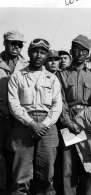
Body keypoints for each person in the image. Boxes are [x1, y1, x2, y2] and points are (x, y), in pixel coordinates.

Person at [7, 38, 62, 194]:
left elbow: (57, 106)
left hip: (48, 127)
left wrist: (43, 125)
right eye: (36, 51)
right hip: (23, 125)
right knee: (20, 177)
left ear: (46, 56)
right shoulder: (17, 77)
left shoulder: (52, 78)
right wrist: (32, 123)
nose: (39, 55)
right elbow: (14, 104)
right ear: (29, 53)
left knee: (46, 176)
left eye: (43, 52)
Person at [57, 34, 91, 195]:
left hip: (88, 125)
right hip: (69, 125)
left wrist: (88, 121)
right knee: (68, 168)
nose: (79, 53)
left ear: (87, 53)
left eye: (83, 50)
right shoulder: (61, 75)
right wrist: (69, 123)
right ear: (71, 51)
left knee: (89, 166)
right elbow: (60, 102)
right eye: (76, 49)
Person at [0, 30, 28, 194]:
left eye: (19, 44)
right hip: (0, 116)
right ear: (5, 42)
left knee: (17, 156)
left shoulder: (26, 65)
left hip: (19, 119)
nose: (16, 47)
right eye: (13, 43)